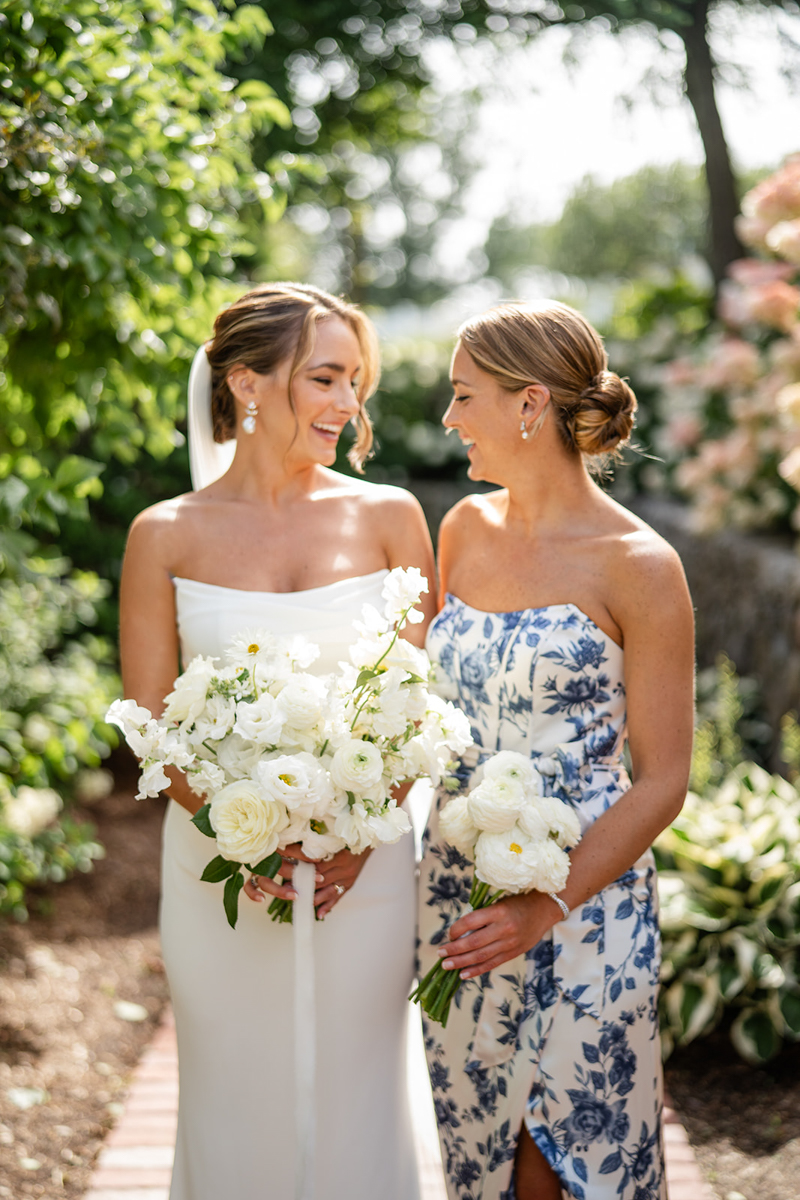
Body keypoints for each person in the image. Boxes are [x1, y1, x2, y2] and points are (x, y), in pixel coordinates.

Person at [119, 282, 437, 1200]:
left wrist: (353, 832)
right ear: (248, 385)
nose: (350, 405)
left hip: (367, 871)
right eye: (327, 379)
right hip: (219, 870)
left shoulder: (391, 519)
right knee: (232, 1099)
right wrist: (242, 830)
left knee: (358, 1096)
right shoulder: (164, 535)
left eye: (355, 382)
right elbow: (149, 725)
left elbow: (415, 705)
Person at [417, 301, 694, 1200]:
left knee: (563, 1163)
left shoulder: (640, 565)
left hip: (585, 908)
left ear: (529, 403)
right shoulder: (460, 529)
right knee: (478, 1151)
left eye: (464, 397)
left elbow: (664, 780)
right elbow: (420, 711)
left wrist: (548, 903)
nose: (450, 418)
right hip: (457, 898)